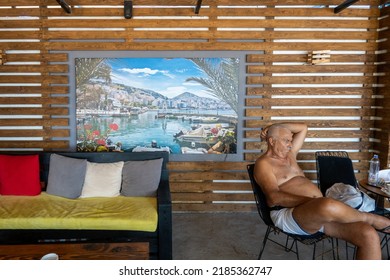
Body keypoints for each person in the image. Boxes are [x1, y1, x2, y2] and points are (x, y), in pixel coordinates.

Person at [254, 122, 390, 260]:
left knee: (368, 234)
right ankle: (371, 218)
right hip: (289, 213)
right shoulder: (264, 164)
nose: (290, 144)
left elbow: (303, 128)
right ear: (272, 141)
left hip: (318, 214)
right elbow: (273, 198)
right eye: (286, 141)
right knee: (327, 205)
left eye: (291, 140)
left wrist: (271, 127)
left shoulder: (290, 155)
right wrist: (314, 202)